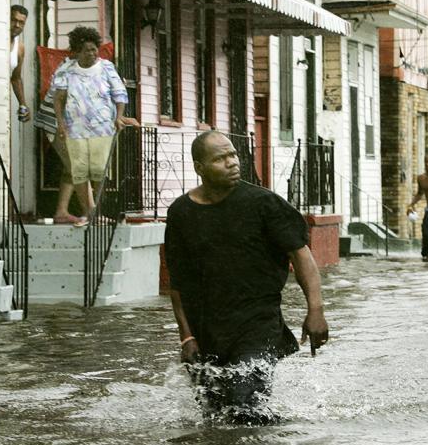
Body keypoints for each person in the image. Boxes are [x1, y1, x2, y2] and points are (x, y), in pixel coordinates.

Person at [164, 131, 329, 424]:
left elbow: (302, 257)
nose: (231, 163)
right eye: (220, 158)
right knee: (214, 415)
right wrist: (186, 336)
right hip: (207, 328)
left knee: (244, 402)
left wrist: (315, 310)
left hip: (257, 323)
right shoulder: (181, 213)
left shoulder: (264, 204)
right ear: (200, 168)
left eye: (233, 155)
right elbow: (177, 281)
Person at [52, 26, 136, 227]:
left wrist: (120, 117)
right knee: (80, 171)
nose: (92, 53)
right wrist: (61, 124)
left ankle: (97, 210)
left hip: (102, 127)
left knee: (98, 169)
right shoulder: (66, 69)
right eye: (87, 50)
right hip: (75, 128)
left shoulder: (106, 67)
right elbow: (59, 98)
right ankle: (88, 213)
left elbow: (119, 94)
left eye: (94, 49)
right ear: (77, 51)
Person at [34, 53, 87, 224]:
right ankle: (91, 211)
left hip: (68, 123)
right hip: (56, 122)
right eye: (87, 50)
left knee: (71, 166)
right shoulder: (68, 70)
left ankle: (61, 212)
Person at [10, 5, 30, 122]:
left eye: (21, 22)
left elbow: (15, 78)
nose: (17, 25)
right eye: (14, 20)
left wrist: (23, 104)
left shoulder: (20, 47)